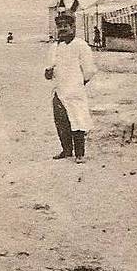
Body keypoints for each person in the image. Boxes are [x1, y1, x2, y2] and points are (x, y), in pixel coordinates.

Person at [45, 12, 97, 164]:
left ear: (73, 27)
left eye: (65, 26)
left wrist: (79, 84)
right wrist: (48, 73)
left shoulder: (81, 45)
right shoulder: (55, 46)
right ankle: (66, 150)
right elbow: (49, 70)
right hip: (58, 91)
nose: (62, 29)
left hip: (74, 91)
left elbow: (89, 70)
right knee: (61, 121)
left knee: (77, 120)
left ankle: (79, 153)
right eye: (59, 26)